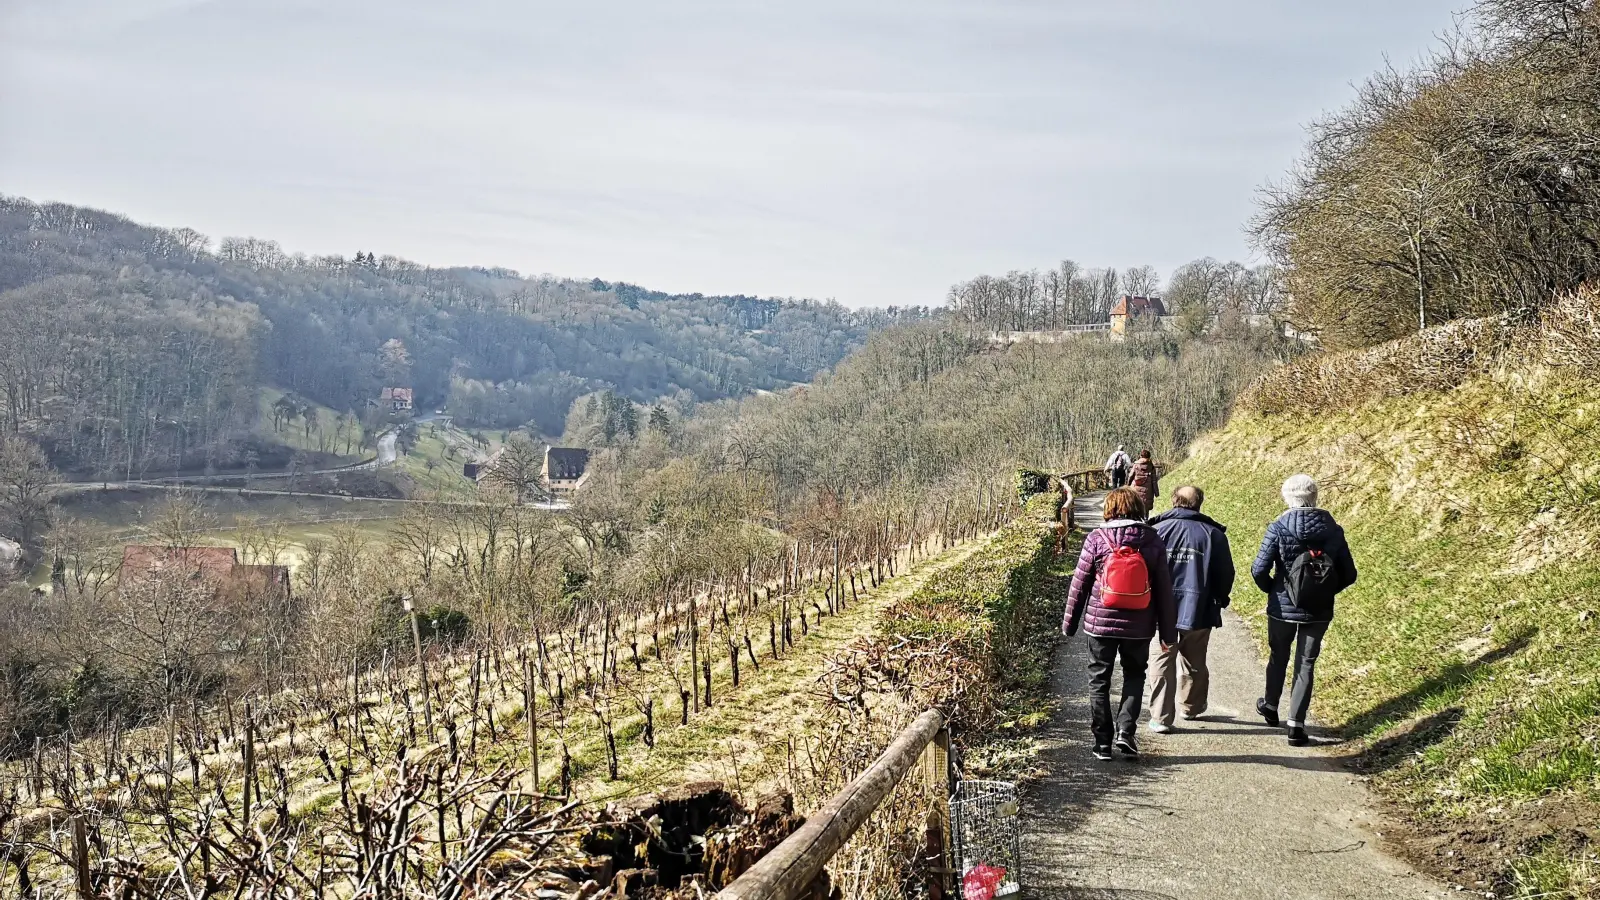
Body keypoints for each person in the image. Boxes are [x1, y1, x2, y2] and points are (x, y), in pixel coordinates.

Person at [1062, 488, 1178, 760]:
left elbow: (1079, 585)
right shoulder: (1152, 539)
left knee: (1099, 680)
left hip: (1100, 623)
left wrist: (1070, 623)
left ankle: (1102, 743)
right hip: (1139, 625)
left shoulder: (1097, 538)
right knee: (1135, 675)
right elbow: (1164, 589)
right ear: (1139, 508)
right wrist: (1168, 633)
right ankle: (1126, 732)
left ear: (1109, 509)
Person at [1251, 474, 1358, 746]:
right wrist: (1324, 590)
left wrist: (1274, 591)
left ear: (1287, 497)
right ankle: (1296, 725)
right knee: (1306, 662)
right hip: (1319, 609)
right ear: (1314, 496)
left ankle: (1271, 706)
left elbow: (1259, 569)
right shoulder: (1334, 530)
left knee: (1278, 655)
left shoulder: (1278, 527)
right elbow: (1349, 574)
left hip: (1282, 607)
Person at [1147, 486, 1235, 732]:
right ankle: (1191, 706)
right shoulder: (1213, 534)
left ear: (1174, 501)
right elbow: (1225, 573)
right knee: (1194, 661)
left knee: (1162, 659)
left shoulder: (1156, 531)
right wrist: (1219, 599)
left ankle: (1161, 718)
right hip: (1199, 609)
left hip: (1161, 611)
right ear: (1199, 504)